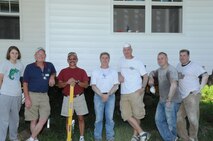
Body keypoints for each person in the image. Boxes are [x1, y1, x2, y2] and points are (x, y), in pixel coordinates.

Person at [118, 43, 150, 141]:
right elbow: (119, 71)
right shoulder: (121, 61)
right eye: (124, 50)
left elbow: (145, 76)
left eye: (128, 50)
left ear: (131, 50)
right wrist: (119, 75)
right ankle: (142, 133)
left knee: (137, 115)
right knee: (125, 115)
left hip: (136, 92)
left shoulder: (138, 62)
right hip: (124, 92)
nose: (126, 52)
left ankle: (135, 136)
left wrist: (143, 88)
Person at [23, 47, 56, 141]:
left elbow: (53, 72)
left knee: (44, 117)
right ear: (35, 56)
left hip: (44, 95)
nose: (40, 56)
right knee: (33, 119)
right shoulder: (29, 67)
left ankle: (31, 138)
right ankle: (35, 138)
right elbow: (25, 83)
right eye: (38, 54)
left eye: (42, 54)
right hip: (32, 95)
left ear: (45, 56)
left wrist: (52, 77)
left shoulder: (49, 65)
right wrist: (27, 98)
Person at [176, 49, 209, 141]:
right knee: (179, 117)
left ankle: (193, 137)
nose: (182, 57)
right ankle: (185, 138)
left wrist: (199, 89)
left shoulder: (194, 66)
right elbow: (180, 79)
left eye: (184, 55)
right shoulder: (178, 66)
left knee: (192, 118)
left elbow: (205, 75)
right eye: (180, 55)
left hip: (192, 95)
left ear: (188, 56)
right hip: (183, 96)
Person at [149, 52, 181, 141]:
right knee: (159, 120)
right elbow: (152, 72)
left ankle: (171, 138)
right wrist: (151, 77)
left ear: (166, 59)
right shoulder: (159, 70)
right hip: (162, 100)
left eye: (162, 58)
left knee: (171, 123)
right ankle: (172, 139)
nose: (160, 60)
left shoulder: (171, 70)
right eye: (158, 59)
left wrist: (169, 100)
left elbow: (174, 85)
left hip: (172, 100)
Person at [58, 52, 89, 141]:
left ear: (77, 60)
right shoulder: (63, 71)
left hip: (79, 97)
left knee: (81, 118)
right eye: (70, 59)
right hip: (67, 98)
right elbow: (59, 85)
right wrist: (67, 82)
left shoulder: (82, 71)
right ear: (68, 60)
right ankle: (69, 137)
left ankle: (81, 137)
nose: (72, 60)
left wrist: (77, 82)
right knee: (68, 119)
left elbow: (86, 85)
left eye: (74, 58)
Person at [91, 52, 119, 141]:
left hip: (110, 96)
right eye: (103, 58)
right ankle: (97, 137)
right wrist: (102, 95)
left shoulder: (113, 71)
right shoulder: (95, 71)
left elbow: (116, 86)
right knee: (98, 119)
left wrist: (108, 94)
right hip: (98, 96)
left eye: (106, 58)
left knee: (109, 119)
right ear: (100, 59)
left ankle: (110, 137)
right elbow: (93, 86)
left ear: (109, 59)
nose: (105, 59)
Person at [0, 46, 24, 141]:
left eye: (16, 53)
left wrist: (21, 93)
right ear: (9, 54)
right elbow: (0, 78)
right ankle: (1, 138)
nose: (14, 55)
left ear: (18, 54)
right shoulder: (5, 63)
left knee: (15, 119)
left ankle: (13, 138)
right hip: (5, 95)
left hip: (17, 95)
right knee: (4, 119)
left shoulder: (21, 65)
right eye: (12, 53)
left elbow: (20, 80)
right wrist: (1, 91)